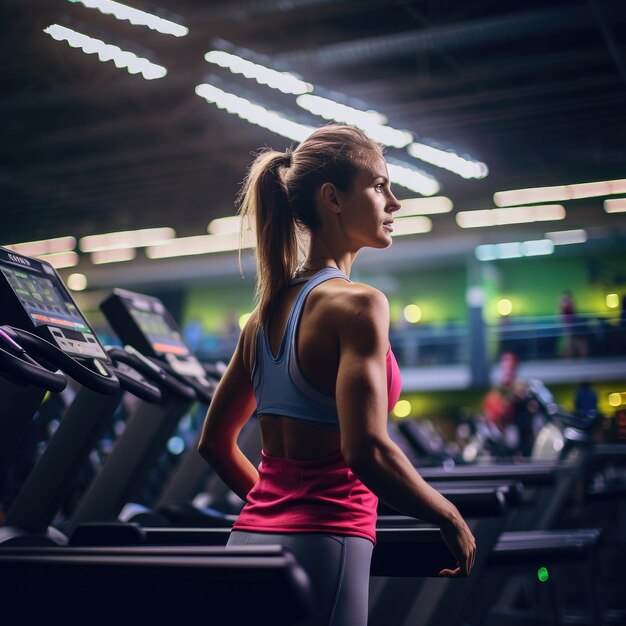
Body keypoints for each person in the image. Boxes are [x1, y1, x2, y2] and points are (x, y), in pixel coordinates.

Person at [197, 124, 476, 626]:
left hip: (245, 544)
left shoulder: (261, 318)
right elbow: (365, 450)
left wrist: (277, 510)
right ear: (333, 198)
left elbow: (214, 443)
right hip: (325, 547)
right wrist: (447, 515)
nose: (395, 202)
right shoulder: (360, 305)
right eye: (378, 186)